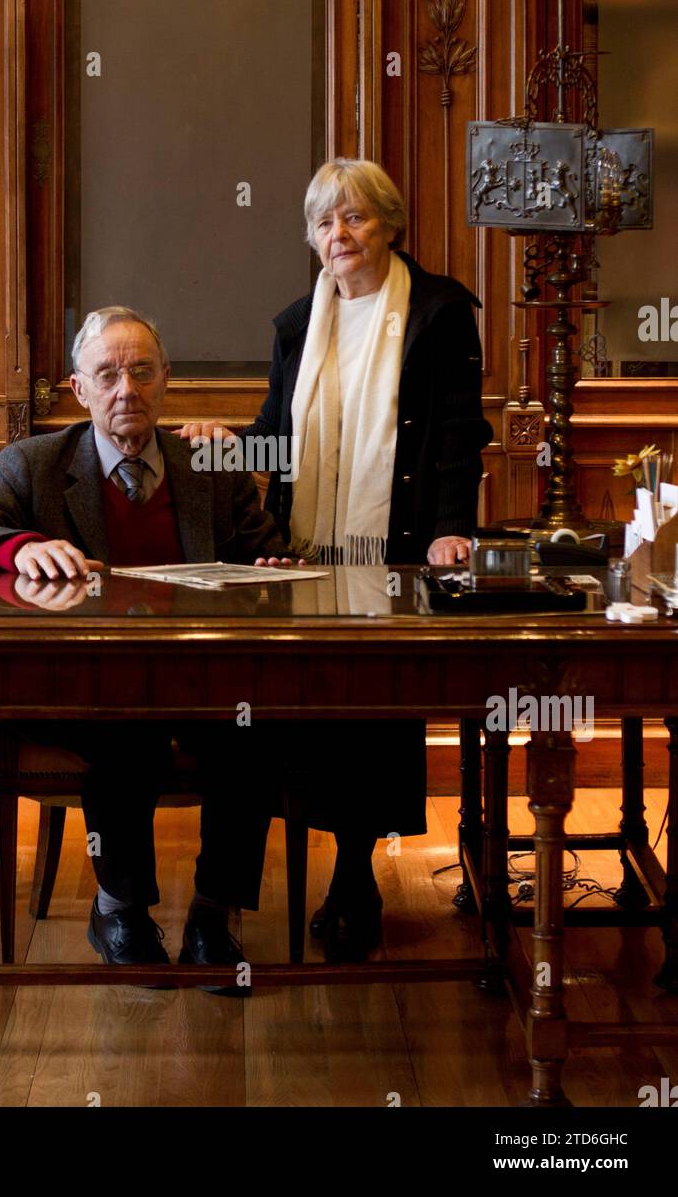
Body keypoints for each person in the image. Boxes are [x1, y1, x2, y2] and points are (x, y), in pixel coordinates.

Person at [179, 158, 493, 960]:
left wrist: (453, 528)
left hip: (396, 548)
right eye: (324, 222)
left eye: (354, 218)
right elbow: (281, 439)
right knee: (302, 710)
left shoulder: (438, 312)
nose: (339, 235)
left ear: (388, 224)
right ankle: (296, 875)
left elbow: (458, 434)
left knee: (370, 716)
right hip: (303, 554)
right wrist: (229, 444)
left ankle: (355, 872)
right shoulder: (296, 323)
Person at [0, 306, 298, 992]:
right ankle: (120, 910)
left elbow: (264, 551)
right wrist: (21, 546)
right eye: (107, 374)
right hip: (72, 687)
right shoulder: (36, 464)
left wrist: (269, 573)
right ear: (80, 389)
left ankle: (211, 914)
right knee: (124, 734)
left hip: (197, 682)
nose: (125, 388)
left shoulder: (211, 467)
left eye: (140, 371)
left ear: (166, 381)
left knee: (256, 730)